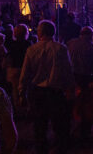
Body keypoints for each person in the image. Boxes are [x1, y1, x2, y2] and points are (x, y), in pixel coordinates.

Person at [19, 20, 75, 154]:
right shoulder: (61, 49)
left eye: (38, 30)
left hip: (37, 93)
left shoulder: (32, 49)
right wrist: (70, 91)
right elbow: (68, 72)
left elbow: (25, 73)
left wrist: (22, 92)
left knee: (39, 127)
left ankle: (41, 150)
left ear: (42, 32)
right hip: (56, 92)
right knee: (59, 126)